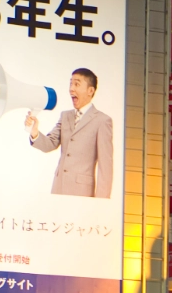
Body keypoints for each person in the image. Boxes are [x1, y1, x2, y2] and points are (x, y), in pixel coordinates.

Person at [26, 68, 114, 198]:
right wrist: (34, 132)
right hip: (58, 189)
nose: (71, 89)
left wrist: (100, 203)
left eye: (77, 84)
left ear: (90, 91)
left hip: (82, 195)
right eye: (70, 84)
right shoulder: (65, 116)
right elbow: (50, 144)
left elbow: (105, 168)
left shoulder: (102, 121)